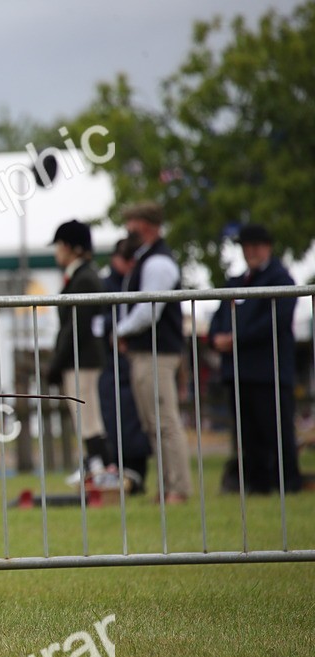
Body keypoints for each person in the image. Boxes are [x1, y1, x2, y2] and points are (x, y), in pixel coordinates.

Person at [208, 224, 302, 494]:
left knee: (276, 431)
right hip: (238, 371)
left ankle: (287, 483)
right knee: (247, 435)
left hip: (269, 371)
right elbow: (218, 317)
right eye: (246, 246)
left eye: (256, 245)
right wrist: (217, 338)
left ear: (268, 247)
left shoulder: (281, 280)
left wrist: (235, 339)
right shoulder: (235, 283)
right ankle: (257, 484)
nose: (251, 251)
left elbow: (276, 321)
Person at [115, 202, 192, 505]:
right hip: (148, 353)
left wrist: (120, 330)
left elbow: (149, 310)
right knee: (154, 424)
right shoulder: (149, 258)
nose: (128, 229)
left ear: (144, 225)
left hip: (156, 353)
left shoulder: (157, 262)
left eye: (131, 222)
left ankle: (178, 488)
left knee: (165, 422)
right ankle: (167, 487)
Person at [45, 220, 109, 485]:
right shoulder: (80, 275)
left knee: (88, 416)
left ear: (71, 247)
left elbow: (76, 327)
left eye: (59, 245)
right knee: (84, 416)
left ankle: (100, 468)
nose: (56, 251)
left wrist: (56, 364)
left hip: (81, 358)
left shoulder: (84, 278)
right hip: (79, 358)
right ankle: (94, 465)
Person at [96, 237, 150, 492]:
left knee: (139, 423)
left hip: (132, 362)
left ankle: (138, 476)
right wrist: (116, 331)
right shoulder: (105, 285)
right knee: (116, 424)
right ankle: (120, 478)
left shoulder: (138, 282)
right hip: (112, 365)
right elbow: (97, 323)